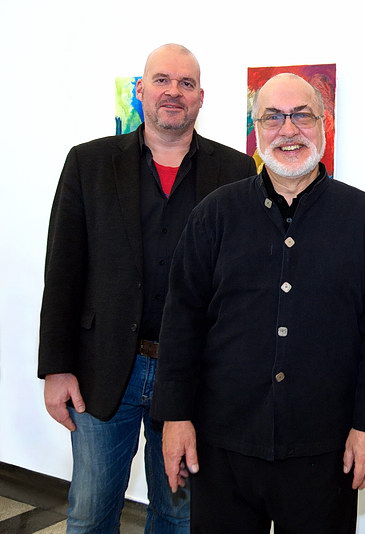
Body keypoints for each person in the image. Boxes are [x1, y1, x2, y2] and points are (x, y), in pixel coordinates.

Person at [151, 73, 365, 533]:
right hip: (223, 446)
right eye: (273, 118)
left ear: (324, 124)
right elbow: (182, 321)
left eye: (302, 116)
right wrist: (176, 416)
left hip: (324, 451)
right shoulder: (214, 215)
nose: (288, 130)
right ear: (256, 130)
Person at [38, 43, 256, 532]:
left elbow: (241, 288)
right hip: (100, 369)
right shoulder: (89, 163)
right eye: (162, 80)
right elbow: (63, 269)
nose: (173, 91)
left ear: (201, 97)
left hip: (193, 375)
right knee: (90, 513)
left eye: (185, 83)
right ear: (141, 90)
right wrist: (56, 367)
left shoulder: (235, 173)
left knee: (179, 516)